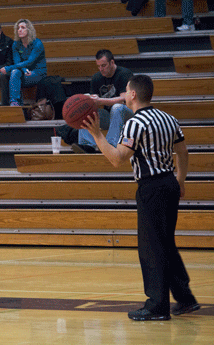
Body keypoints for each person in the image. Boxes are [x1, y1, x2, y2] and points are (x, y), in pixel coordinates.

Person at [82, 74, 200, 321]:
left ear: (133, 94)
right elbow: (183, 151)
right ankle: (185, 298)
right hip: (169, 183)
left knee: (151, 247)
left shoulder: (135, 123)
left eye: (126, 91)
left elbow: (117, 159)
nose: (124, 95)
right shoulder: (169, 118)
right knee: (165, 243)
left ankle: (157, 306)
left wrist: (97, 135)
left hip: (151, 187)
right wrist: (180, 180)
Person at [71, 49, 133, 153]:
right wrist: (88, 101)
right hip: (111, 117)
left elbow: (124, 98)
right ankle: (87, 146)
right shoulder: (96, 78)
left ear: (112, 62)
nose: (101, 69)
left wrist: (101, 100)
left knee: (117, 107)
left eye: (103, 65)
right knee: (85, 109)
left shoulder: (124, 74)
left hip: (128, 116)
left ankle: (110, 144)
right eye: (98, 66)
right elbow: (95, 101)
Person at [0, 19, 47, 106]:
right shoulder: (16, 44)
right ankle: (14, 102)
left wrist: (8, 68)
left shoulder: (37, 43)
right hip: (24, 72)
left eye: (23, 27)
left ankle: (18, 103)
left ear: (29, 30)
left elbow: (30, 61)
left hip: (38, 73)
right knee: (15, 73)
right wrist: (25, 70)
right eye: (18, 28)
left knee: (14, 78)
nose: (19, 30)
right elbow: (17, 61)